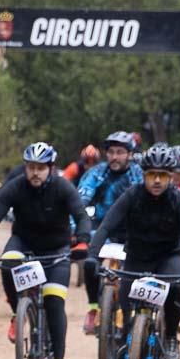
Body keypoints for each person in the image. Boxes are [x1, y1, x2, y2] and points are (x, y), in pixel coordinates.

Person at [86, 144, 180, 359]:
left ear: (171, 177)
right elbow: (106, 226)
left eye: (162, 175)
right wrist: (92, 255)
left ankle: (172, 336)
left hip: (169, 257)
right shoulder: (132, 195)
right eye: (151, 174)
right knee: (127, 331)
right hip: (137, 259)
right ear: (143, 174)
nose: (156, 180)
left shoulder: (179, 200)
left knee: (178, 283)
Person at [0, 142, 90, 359]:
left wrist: (83, 242)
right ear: (25, 168)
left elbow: (81, 216)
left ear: (50, 168)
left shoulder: (62, 187)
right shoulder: (16, 186)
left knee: (54, 299)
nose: (35, 173)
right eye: (31, 167)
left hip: (56, 249)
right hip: (23, 242)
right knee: (8, 262)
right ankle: (18, 312)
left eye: (41, 168)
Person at [77, 131, 144, 334]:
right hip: (102, 228)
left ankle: (133, 311)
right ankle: (93, 308)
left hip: (131, 231)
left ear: (130, 154)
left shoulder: (138, 175)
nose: (115, 157)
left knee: (133, 272)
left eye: (120, 152)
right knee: (89, 264)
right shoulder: (97, 173)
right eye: (111, 152)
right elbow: (82, 197)